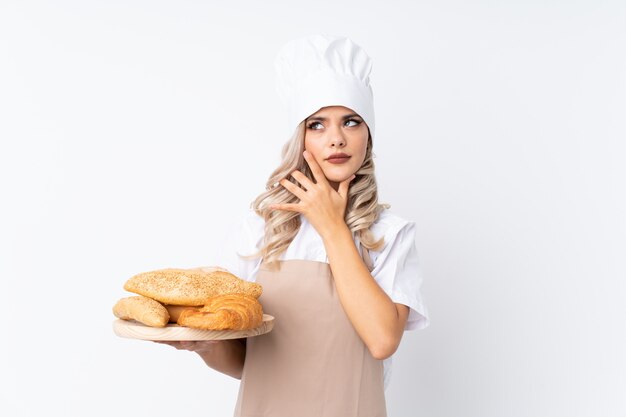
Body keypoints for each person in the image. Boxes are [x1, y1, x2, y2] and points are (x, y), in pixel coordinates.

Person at [161, 34, 429, 417]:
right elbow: (246, 363)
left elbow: (383, 339)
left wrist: (333, 228)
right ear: (299, 136)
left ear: (367, 134)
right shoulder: (258, 228)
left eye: (351, 122)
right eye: (317, 124)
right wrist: (205, 344)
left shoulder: (390, 233)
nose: (336, 138)